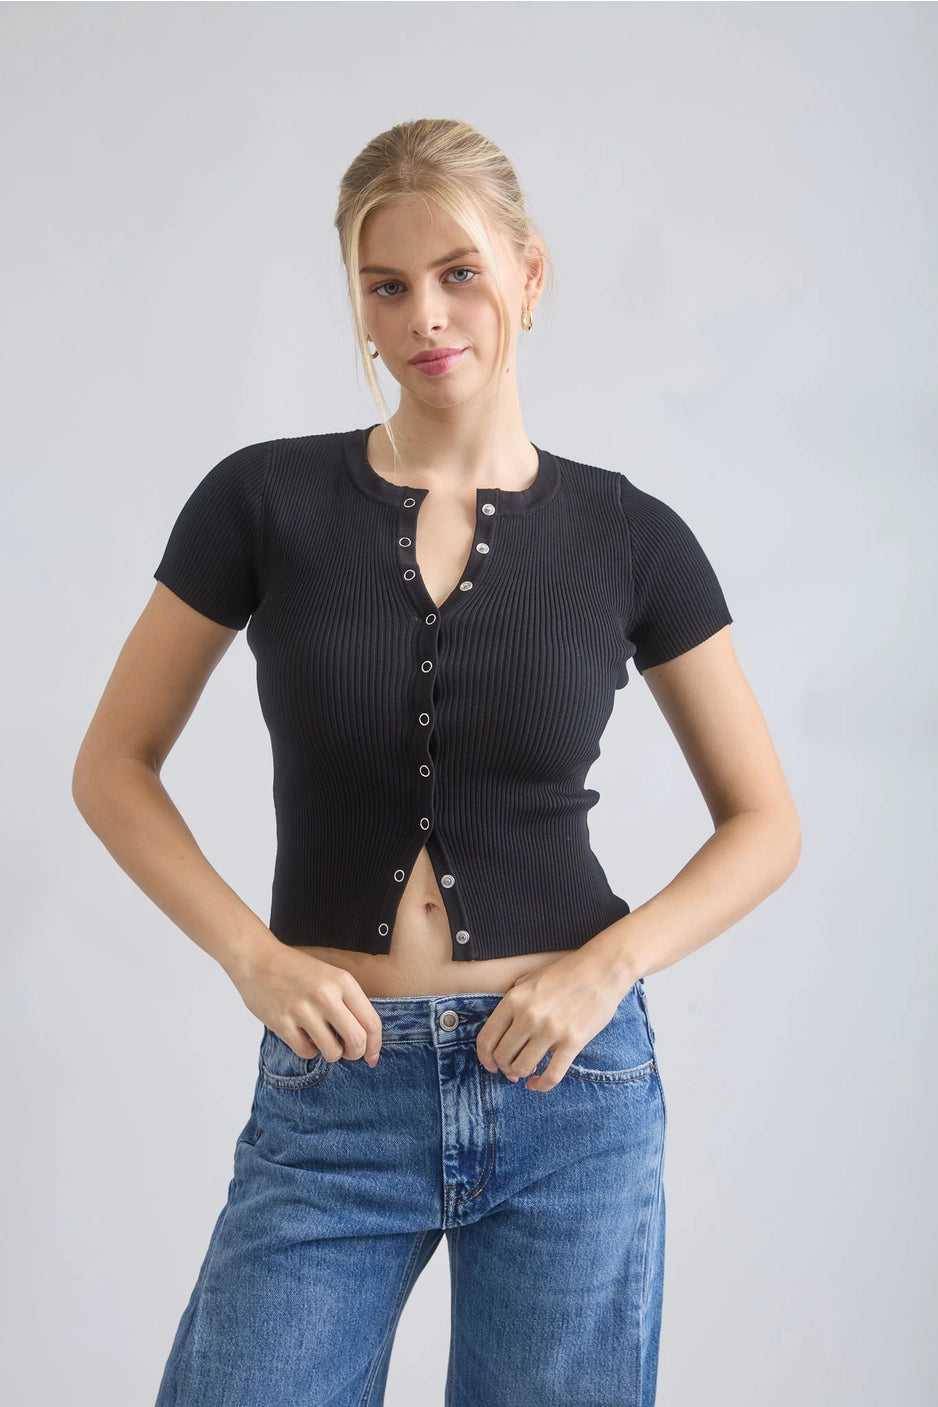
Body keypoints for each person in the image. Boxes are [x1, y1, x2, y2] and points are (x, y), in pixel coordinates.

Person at [72, 118, 801, 1407]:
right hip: (335, 1092)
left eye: (461, 272)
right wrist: (252, 955)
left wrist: (607, 968)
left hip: (571, 1088)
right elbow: (113, 765)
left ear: (529, 273)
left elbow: (765, 822)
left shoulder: (631, 536)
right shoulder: (261, 503)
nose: (426, 316)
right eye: (387, 284)